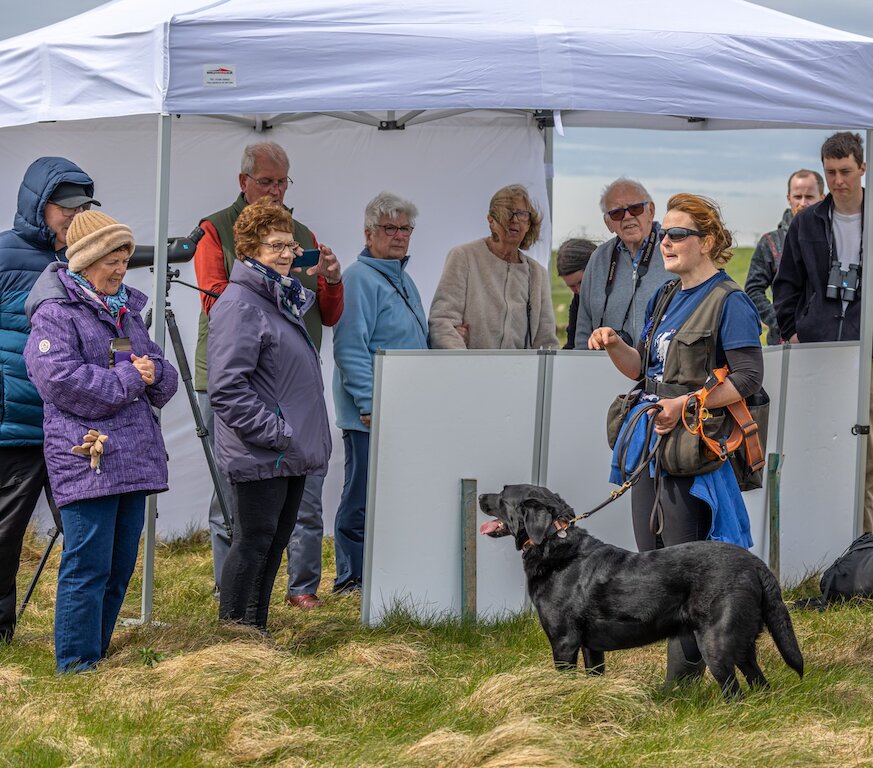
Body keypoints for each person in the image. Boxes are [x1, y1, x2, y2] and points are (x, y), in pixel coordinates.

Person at [590, 193, 762, 685]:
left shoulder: (730, 301)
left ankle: (687, 680)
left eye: (678, 234)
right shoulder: (663, 295)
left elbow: (748, 377)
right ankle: (687, 676)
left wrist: (687, 404)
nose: (665, 241)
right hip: (651, 444)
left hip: (696, 451)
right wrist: (615, 343)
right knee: (652, 562)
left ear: (706, 242)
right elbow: (643, 368)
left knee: (686, 571)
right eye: (664, 233)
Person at [23, 210, 178, 672]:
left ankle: (98, 652)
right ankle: (75, 664)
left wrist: (154, 373)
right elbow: (60, 382)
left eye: (125, 259)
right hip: (87, 455)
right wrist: (133, 377)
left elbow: (158, 373)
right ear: (85, 261)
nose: (120, 269)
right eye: (112, 259)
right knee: (87, 566)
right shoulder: (55, 314)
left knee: (117, 567)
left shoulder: (126, 308)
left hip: (131, 455)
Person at [193, 141, 343, 609]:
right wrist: (276, 429)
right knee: (246, 526)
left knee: (273, 532)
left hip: (286, 412)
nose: (276, 190)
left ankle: (257, 619)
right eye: (267, 181)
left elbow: (328, 310)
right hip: (266, 417)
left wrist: (330, 279)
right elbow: (219, 311)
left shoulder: (285, 284)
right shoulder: (216, 236)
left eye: (282, 182)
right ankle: (236, 616)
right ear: (244, 182)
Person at [0, 158, 98, 645]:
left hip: (74, 426)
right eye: (68, 208)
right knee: (4, 536)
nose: (75, 217)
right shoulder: (3, 254)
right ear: (41, 206)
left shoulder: (87, 257)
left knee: (86, 532)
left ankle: (81, 635)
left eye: (85, 207)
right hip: (15, 423)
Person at [774, 132, 872, 534]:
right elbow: (786, 284)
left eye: (846, 171)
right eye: (831, 172)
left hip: (867, 350)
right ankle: (836, 543)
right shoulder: (807, 222)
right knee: (828, 444)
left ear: (863, 168)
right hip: (822, 350)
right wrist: (793, 331)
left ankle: (864, 545)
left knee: (867, 453)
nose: (838, 181)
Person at [332, 192, 429, 593]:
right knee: (361, 496)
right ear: (369, 233)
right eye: (390, 228)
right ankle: (350, 578)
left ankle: (379, 572)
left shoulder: (401, 277)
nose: (399, 235)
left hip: (403, 410)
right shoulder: (358, 278)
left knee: (389, 497)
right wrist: (369, 403)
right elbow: (350, 347)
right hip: (371, 413)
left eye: (405, 228)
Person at [428, 184, 559, 350]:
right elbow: (443, 321)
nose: (515, 220)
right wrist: (461, 363)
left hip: (519, 373)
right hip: (470, 371)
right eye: (508, 214)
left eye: (522, 214)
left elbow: (546, 340)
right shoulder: (464, 257)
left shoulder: (537, 274)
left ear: (529, 224)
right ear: (491, 220)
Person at [574, 178, 669, 350]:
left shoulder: (673, 250)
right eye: (617, 213)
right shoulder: (599, 259)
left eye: (635, 208)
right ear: (608, 223)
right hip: (606, 367)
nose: (627, 217)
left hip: (661, 369)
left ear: (651, 211)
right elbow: (583, 325)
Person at [744, 169, 824, 344]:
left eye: (809, 197)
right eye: (797, 196)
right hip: (784, 342)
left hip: (826, 338)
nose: (803, 203)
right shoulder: (770, 242)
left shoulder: (832, 239)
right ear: (789, 198)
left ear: (822, 197)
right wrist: (781, 322)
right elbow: (753, 290)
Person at [555, 237, 596, 349]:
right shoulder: (577, 301)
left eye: (581, 282)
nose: (579, 290)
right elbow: (572, 342)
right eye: (571, 286)